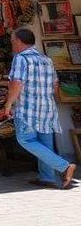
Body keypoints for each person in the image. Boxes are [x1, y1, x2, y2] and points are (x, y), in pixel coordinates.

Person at [4, 28, 76, 189]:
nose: (11, 44)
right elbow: (55, 84)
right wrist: (53, 102)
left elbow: (16, 83)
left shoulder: (20, 58)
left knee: (26, 139)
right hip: (47, 108)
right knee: (45, 143)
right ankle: (47, 177)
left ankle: (64, 166)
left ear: (19, 41)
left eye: (12, 41)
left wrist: (9, 103)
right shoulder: (46, 59)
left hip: (28, 108)